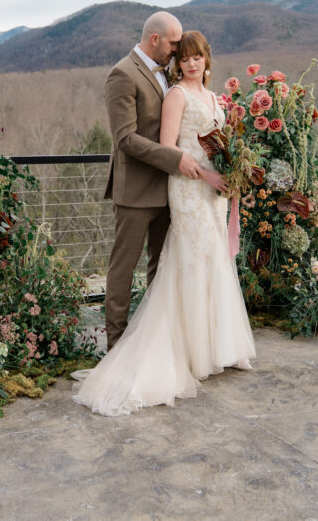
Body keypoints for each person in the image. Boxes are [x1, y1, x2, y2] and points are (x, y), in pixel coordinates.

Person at [74, 30, 256, 416]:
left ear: (207, 59)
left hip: (213, 194)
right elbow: (168, 146)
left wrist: (233, 171)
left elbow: (219, 141)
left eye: (196, 56)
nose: (189, 62)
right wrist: (206, 176)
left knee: (213, 260)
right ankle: (144, 349)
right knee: (182, 261)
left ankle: (219, 347)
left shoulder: (212, 96)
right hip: (189, 189)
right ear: (170, 53)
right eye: (182, 55)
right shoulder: (174, 93)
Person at [101, 11, 202, 350]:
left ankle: (153, 341)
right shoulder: (122, 74)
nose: (178, 50)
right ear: (155, 39)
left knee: (161, 268)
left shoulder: (167, 73)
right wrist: (175, 158)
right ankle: (116, 345)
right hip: (134, 192)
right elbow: (125, 139)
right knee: (123, 269)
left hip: (168, 190)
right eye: (174, 43)